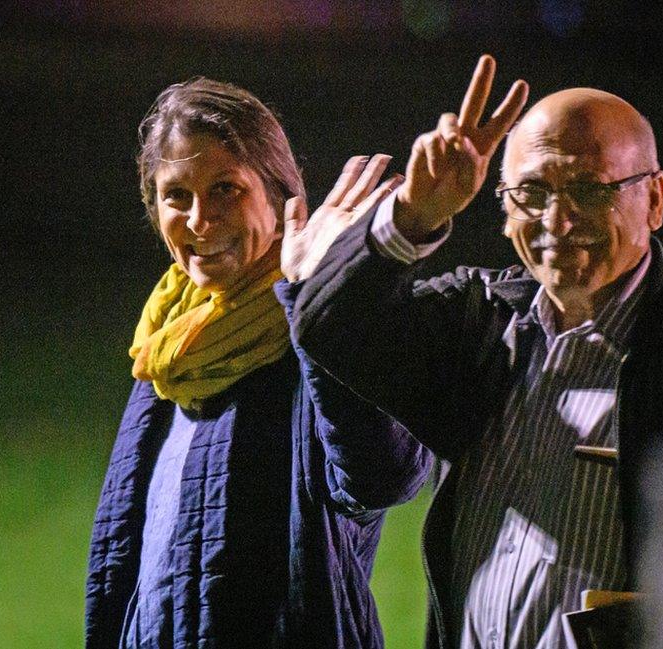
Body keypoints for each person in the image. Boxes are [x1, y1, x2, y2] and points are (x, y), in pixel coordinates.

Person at [285, 55, 663, 648]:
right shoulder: (482, 321)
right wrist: (412, 217)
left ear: (655, 198)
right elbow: (331, 326)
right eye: (532, 192)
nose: (557, 220)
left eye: (590, 190)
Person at [84, 77, 431, 648]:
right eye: (176, 195)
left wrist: (319, 303)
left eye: (226, 189)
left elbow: (385, 474)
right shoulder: (169, 348)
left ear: (279, 197)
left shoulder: (320, 327)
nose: (200, 219)